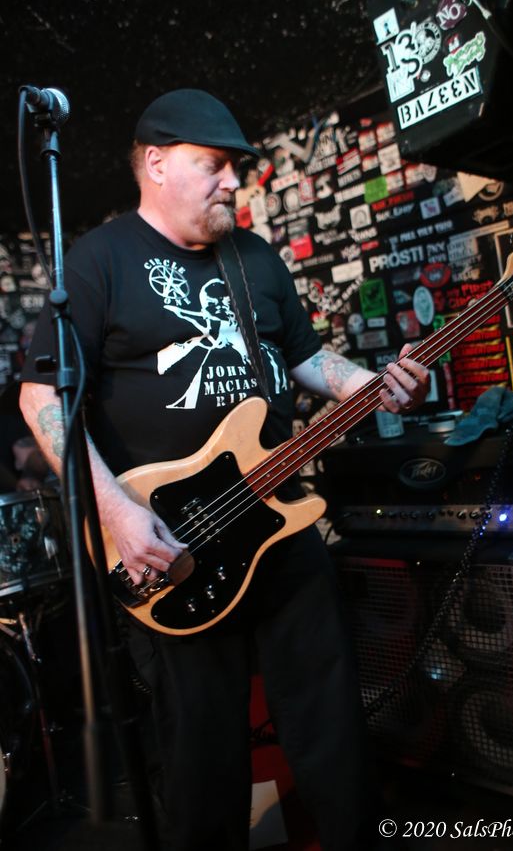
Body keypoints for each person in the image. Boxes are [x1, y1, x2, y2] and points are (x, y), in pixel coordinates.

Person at [19, 88, 430, 851]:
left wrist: (375, 385)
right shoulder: (101, 259)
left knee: (333, 726)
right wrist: (116, 513)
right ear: (156, 163)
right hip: (172, 541)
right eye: (213, 165)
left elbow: (306, 359)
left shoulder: (255, 258)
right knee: (202, 760)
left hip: (280, 525)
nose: (233, 181)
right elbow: (41, 393)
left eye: (235, 166)